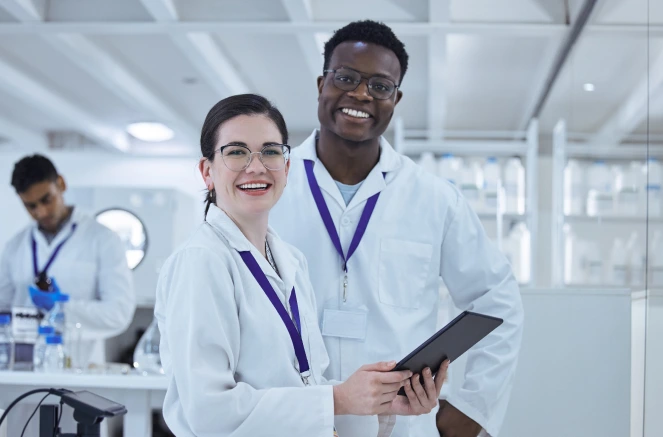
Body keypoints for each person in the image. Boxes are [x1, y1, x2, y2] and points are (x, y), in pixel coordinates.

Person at [270, 20, 524, 437]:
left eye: (380, 86)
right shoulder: (272, 186)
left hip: (400, 426)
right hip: (294, 422)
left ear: (396, 98)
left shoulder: (434, 198)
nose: (360, 95)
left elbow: (499, 302)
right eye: (346, 77)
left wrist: (471, 409)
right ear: (321, 83)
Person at [154, 94, 449, 437]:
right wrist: (338, 399)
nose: (256, 166)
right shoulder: (201, 262)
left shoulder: (290, 261)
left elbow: (306, 384)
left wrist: (380, 401)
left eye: (270, 151)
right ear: (207, 172)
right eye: (236, 152)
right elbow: (209, 412)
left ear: (286, 167)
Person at [0, 154, 135, 435]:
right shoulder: (15, 247)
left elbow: (120, 312)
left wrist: (65, 307)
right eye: (30, 206)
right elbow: (3, 309)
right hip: (23, 380)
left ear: (60, 184)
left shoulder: (102, 239)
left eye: (46, 199)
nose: (40, 212)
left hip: (81, 375)